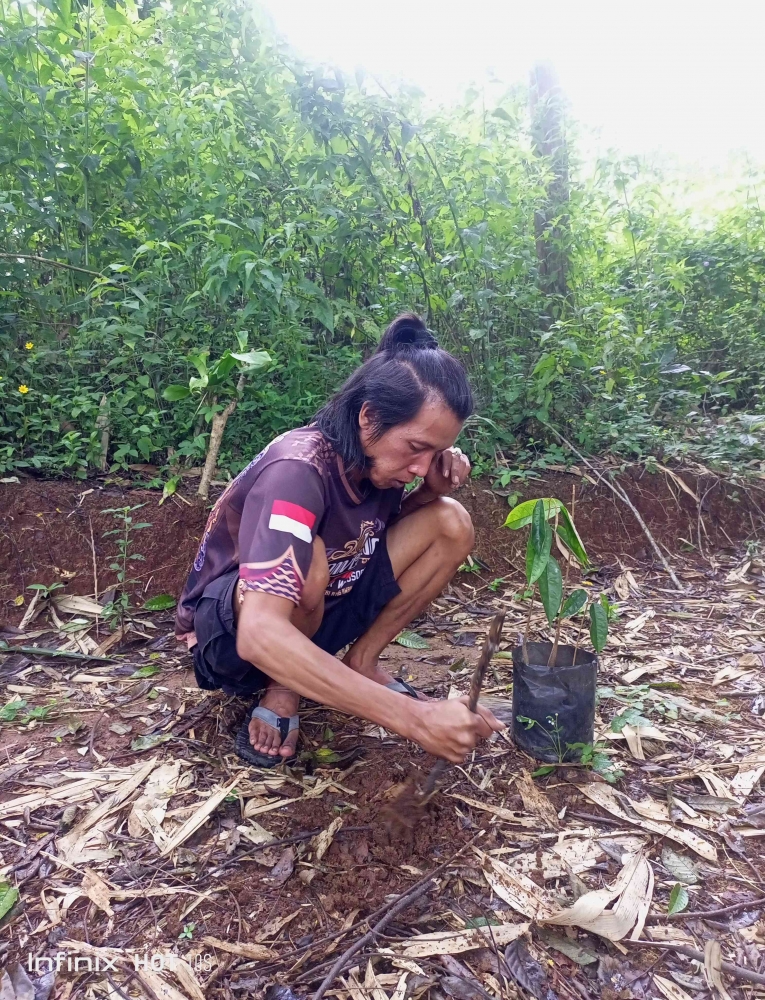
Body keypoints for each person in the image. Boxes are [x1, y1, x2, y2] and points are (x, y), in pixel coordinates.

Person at [175, 313, 504, 767]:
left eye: (437, 453)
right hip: (231, 640)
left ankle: (362, 662)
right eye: (415, 448)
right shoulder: (297, 469)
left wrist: (429, 493)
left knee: (451, 521)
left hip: (324, 605)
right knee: (308, 560)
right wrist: (414, 718)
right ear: (368, 416)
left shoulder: (375, 465)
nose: (422, 467)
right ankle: (283, 687)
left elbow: (369, 544)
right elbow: (259, 632)